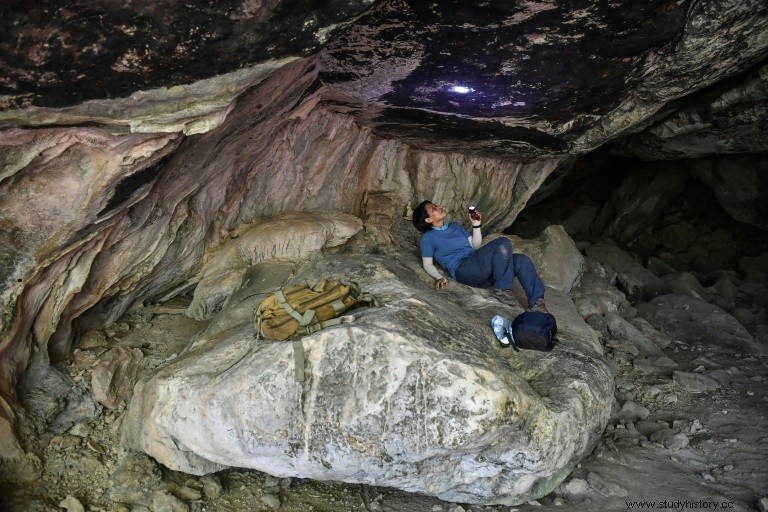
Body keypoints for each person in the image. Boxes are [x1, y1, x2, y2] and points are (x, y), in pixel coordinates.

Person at [411, 200, 548, 312]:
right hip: (463, 270)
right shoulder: (428, 238)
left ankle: (536, 303)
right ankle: (502, 289)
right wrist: (439, 277)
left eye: (436, 205)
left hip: (479, 266)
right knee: (503, 243)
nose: (438, 206)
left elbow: (475, 246)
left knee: (521, 260)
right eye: (433, 208)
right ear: (428, 219)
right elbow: (428, 264)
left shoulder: (455, 226)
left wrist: (476, 225)